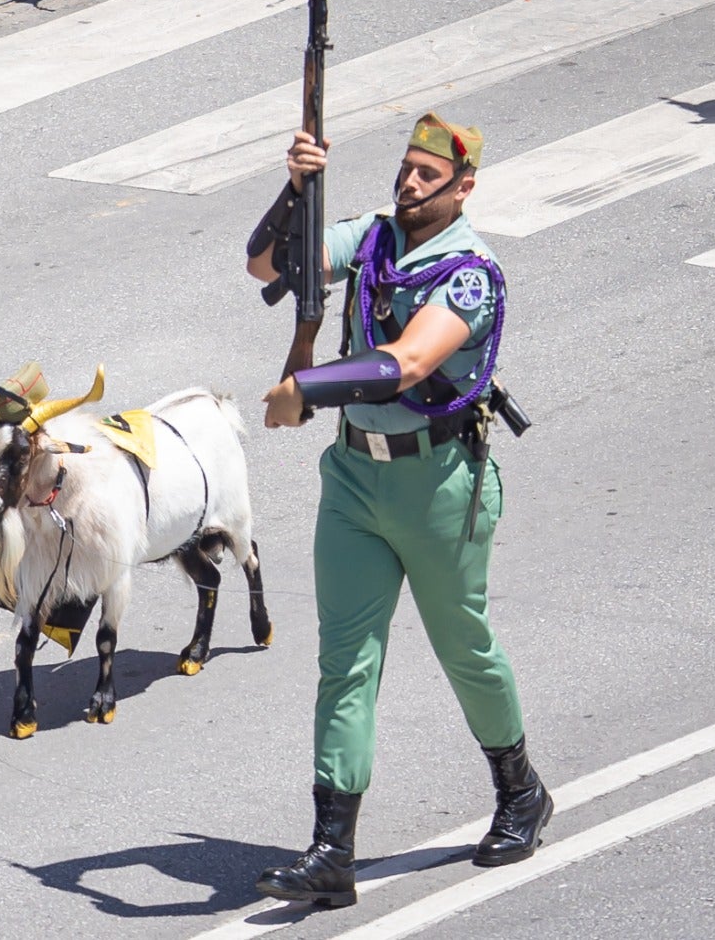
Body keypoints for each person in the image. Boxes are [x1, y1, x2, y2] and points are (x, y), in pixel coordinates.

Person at [244, 113, 552, 907]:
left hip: (440, 483)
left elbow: (405, 363)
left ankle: (521, 792)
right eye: (407, 170)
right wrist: (296, 186)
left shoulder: (472, 273)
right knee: (344, 663)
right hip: (353, 478)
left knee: (465, 648)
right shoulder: (374, 238)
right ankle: (330, 853)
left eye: (429, 177)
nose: (410, 185)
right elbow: (266, 264)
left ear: (464, 189)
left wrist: (300, 390)